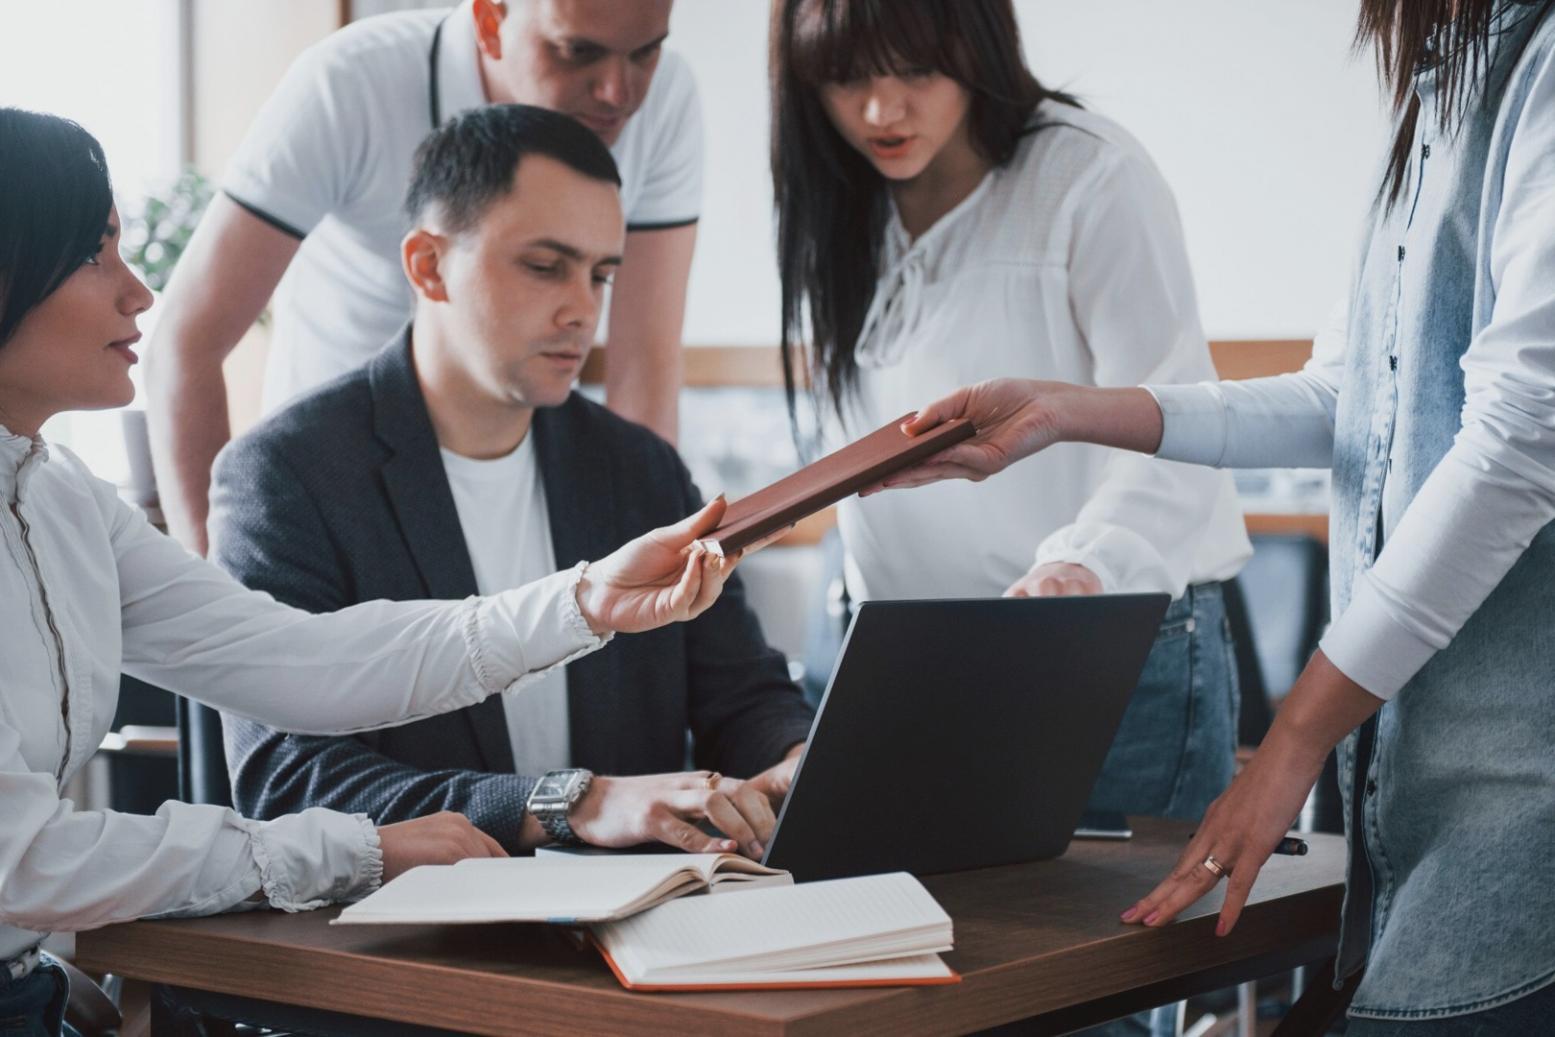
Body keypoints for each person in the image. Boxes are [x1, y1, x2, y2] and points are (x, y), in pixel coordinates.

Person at [877, 1, 1555, 1029]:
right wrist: (1062, 412)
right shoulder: (1444, 81)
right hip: (1421, 797)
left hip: (1517, 805)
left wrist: (1288, 741)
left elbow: (1521, 438)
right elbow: (1346, 397)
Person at [0, 107, 742, 1037]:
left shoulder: (64, 497)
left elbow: (300, 660)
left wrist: (584, 598)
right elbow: (22, 860)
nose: (141, 291)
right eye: (95, 255)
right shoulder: (290, 464)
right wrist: (356, 849)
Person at [210, 104, 814, 859]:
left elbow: (740, 690)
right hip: (410, 941)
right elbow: (288, 779)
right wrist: (564, 803)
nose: (582, 311)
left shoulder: (639, 466)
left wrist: (796, 762)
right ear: (429, 266)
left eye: (599, 275)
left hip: (642, 917)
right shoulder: (286, 475)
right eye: (543, 266)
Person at [771, 0, 1250, 838]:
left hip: (1100, 646)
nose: (881, 112)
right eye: (847, 78)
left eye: (915, 70)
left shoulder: (1089, 176)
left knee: (1122, 953)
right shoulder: (839, 199)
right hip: (906, 655)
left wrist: (1081, 566)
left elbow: (1173, 415)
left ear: (976, 44)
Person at [145, 0, 701, 556]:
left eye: (645, 52)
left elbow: (644, 369)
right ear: (489, 20)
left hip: (521, 477)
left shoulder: (666, 100)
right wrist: (214, 596)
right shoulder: (351, 82)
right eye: (577, 51)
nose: (617, 94)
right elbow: (186, 344)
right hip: (336, 493)